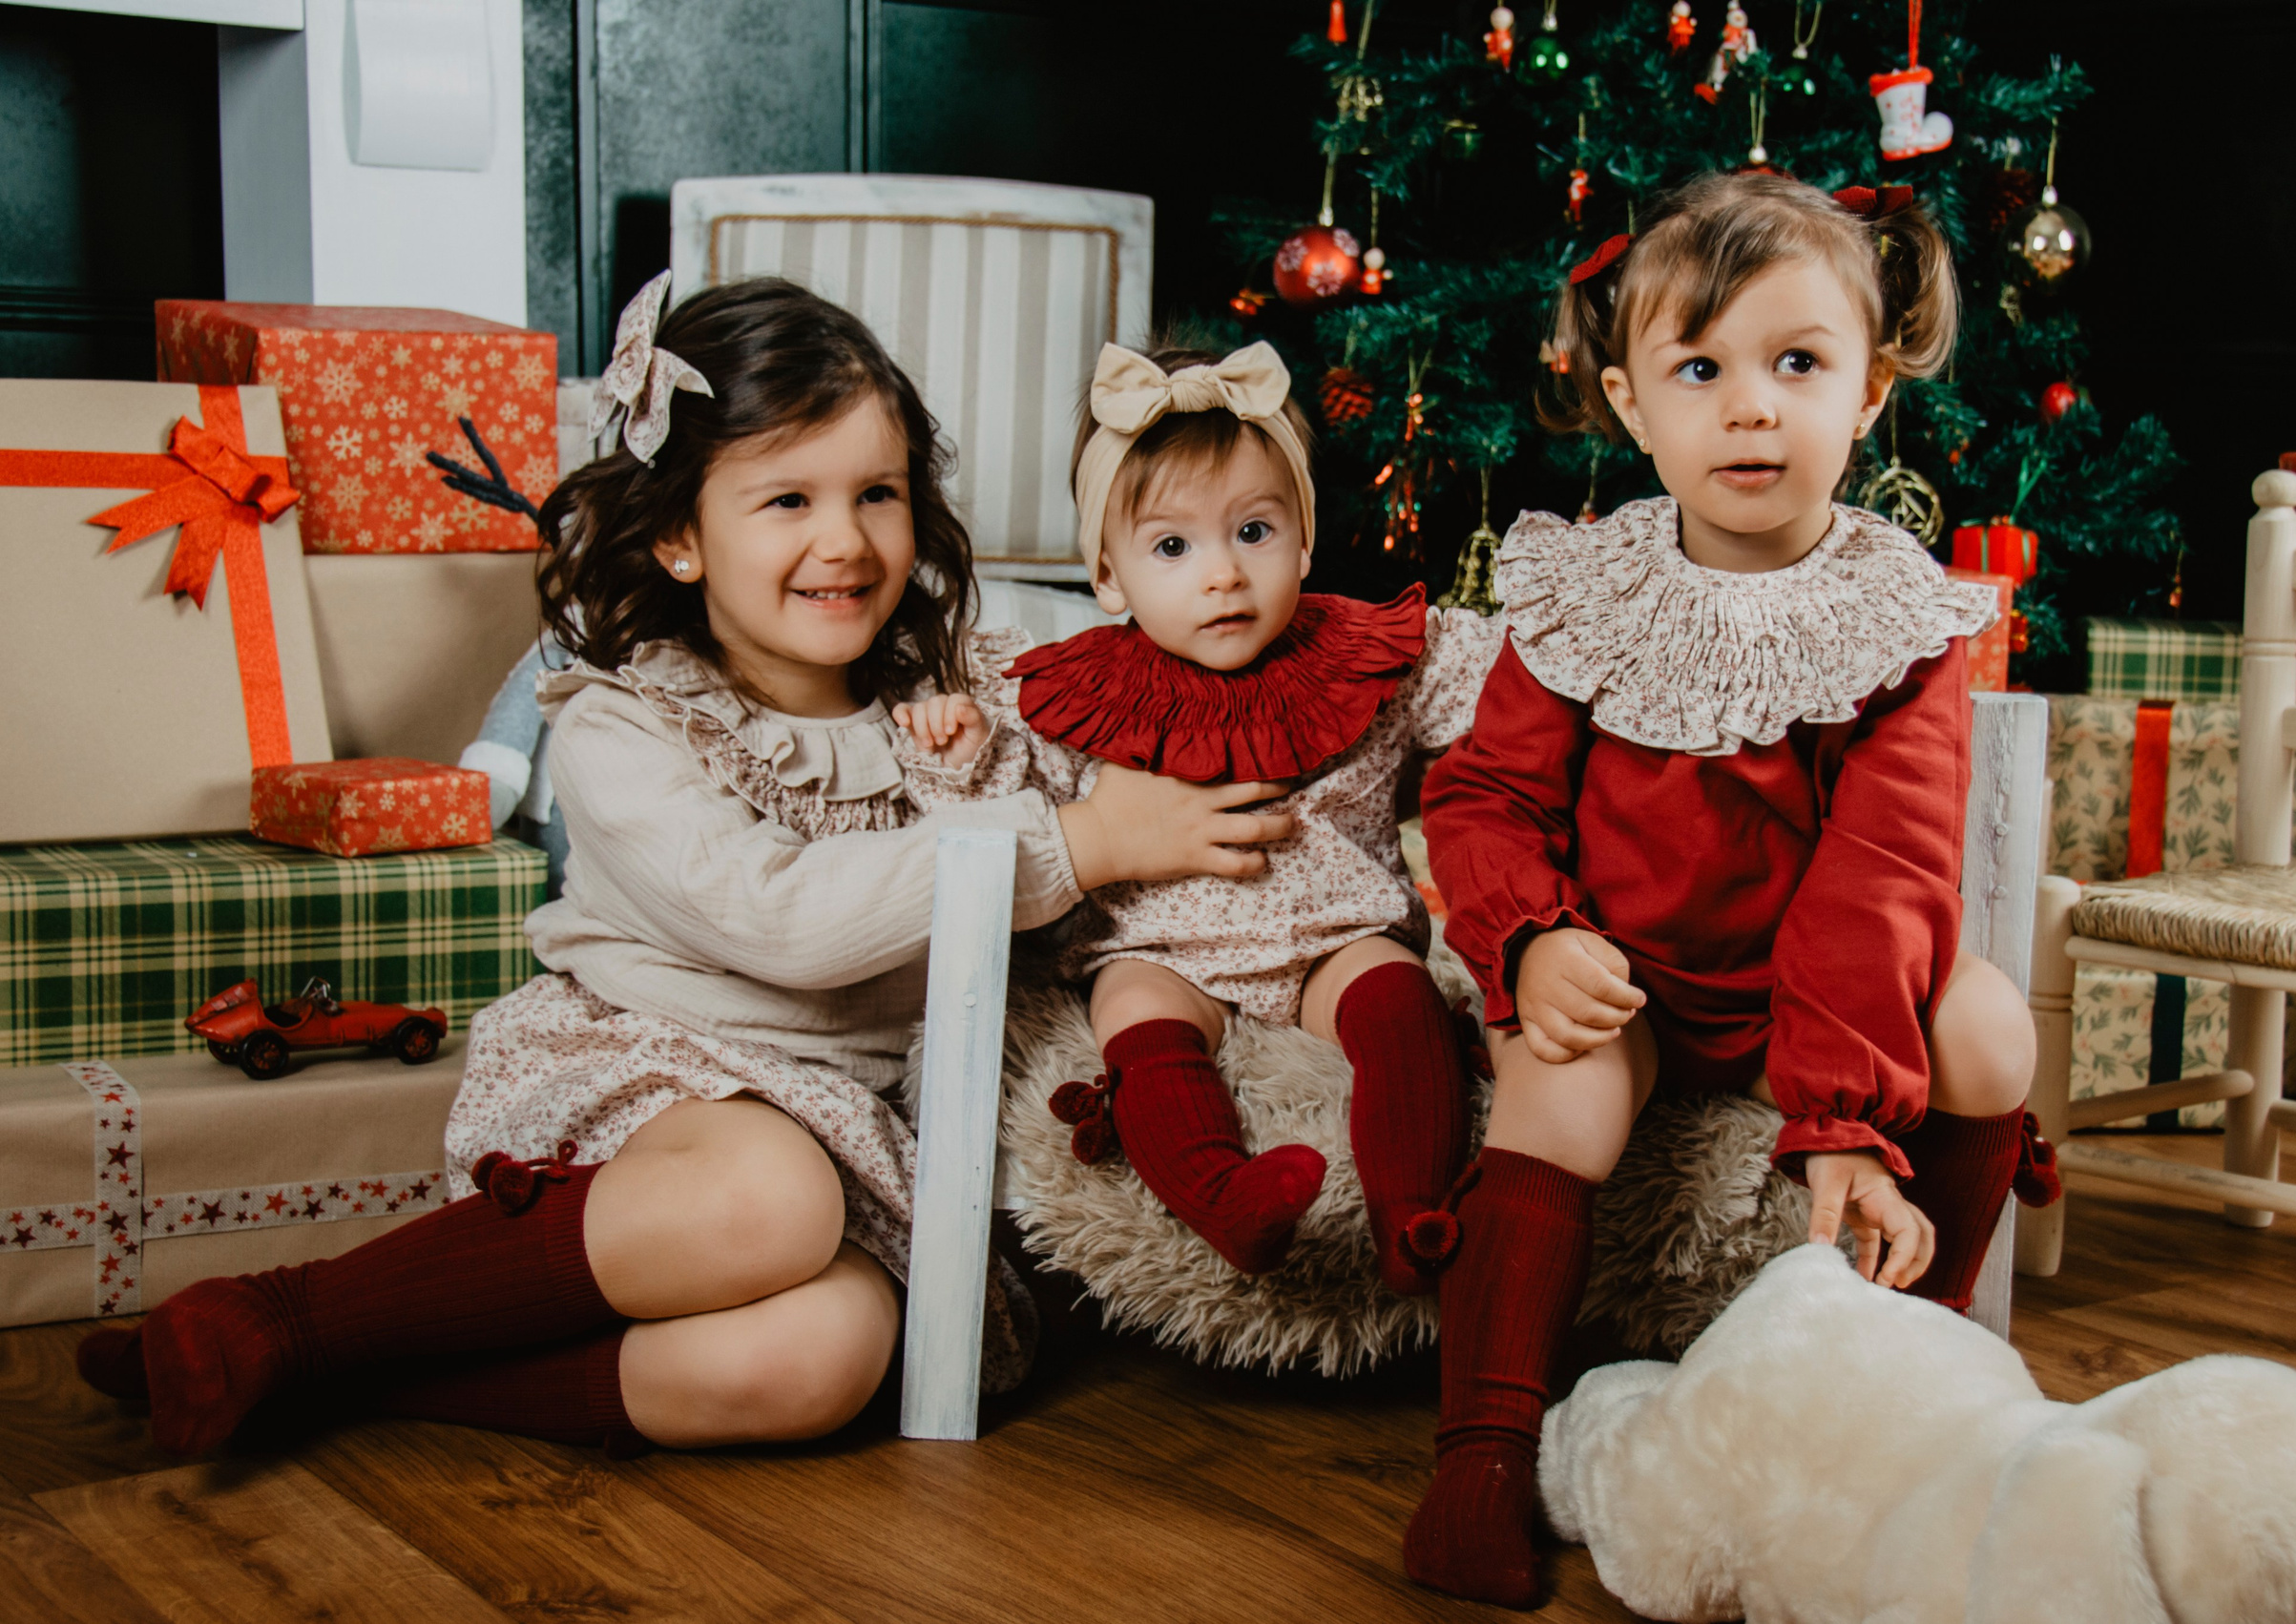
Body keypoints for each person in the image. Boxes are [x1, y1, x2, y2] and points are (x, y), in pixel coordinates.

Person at [75, 275, 1294, 1458]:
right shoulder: (624, 726)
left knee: (822, 1356)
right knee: (770, 1196)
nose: (843, 540)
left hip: (858, 1129)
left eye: (876, 493)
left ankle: (347, 1371)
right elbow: (781, 920)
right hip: (661, 1085)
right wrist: (1078, 841)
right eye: (787, 500)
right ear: (675, 537)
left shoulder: (958, 690)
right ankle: (287, 1315)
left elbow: (1141, 707)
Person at [1409, 172, 2061, 1608]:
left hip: (1807, 992)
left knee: (1988, 1027)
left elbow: (1882, 873)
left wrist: (1841, 1114)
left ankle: (1916, 1370)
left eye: (1798, 363)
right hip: (1623, 973)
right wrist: (1530, 941)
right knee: (1560, 1082)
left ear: (1870, 391)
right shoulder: (1587, 590)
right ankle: (1485, 1446)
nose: (1751, 409)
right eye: (1699, 370)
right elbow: (1484, 795)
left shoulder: (1897, 621)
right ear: (1631, 404)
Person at [894, 340, 1500, 1290]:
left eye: (1253, 532)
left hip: (1330, 934)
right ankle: (1226, 1197)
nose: (1222, 574)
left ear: (1303, 537)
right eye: (1172, 547)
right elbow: (1010, 814)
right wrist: (961, 748)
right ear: (1110, 575)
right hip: (1161, 945)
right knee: (1132, 1015)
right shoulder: (1086, 691)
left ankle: (1413, 1214)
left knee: (1400, 998)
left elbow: (1500, 689)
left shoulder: (1370, 657)